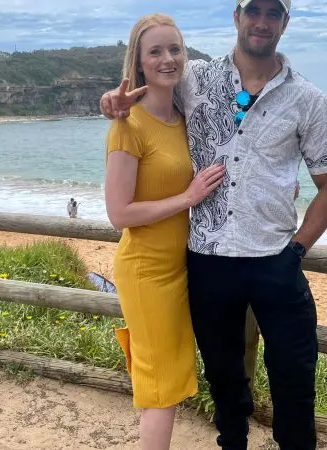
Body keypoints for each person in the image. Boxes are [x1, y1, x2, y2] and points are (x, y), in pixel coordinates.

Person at [101, 1, 327, 447]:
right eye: (254, 11)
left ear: (285, 23)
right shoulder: (195, 78)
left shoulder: (309, 100)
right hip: (208, 261)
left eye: (274, 14)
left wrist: (297, 250)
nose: (262, 22)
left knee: (294, 379)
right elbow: (146, 93)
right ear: (237, 18)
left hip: (275, 259)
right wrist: (110, 102)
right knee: (224, 381)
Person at [103, 14, 226, 449]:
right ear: (137, 63)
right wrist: (187, 198)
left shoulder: (181, 115)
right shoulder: (127, 125)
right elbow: (119, 214)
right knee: (161, 387)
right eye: (155, 51)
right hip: (146, 271)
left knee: (170, 378)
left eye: (175, 48)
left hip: (179, 268)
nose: (168, 58)